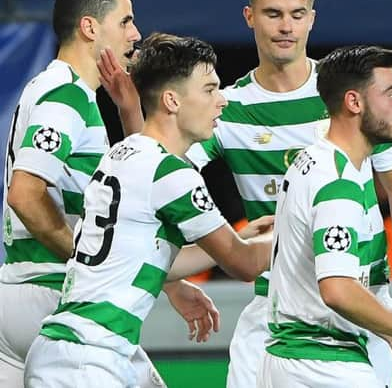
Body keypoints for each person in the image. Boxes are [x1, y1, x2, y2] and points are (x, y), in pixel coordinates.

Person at [100, 0, 392, 386]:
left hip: (356, 298)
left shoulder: (350, 93)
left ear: (312, 18)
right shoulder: (223, 108)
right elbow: (153, 170)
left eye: (297, 14)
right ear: (250, 17)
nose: (285, 26)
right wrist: (173, 284)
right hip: (274, 302)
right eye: (273, 14)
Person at [23, 32, 274, 387]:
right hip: (89, 361)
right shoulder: (173, 174)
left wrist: (235, 240)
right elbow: (245, 265)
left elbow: (149, 258)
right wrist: (294, 228)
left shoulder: (121, 154)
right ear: (172, 100)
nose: (221, 102)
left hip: (79, 351)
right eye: (209, 89)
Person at [0, 0, 214, 388]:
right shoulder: (66, 96)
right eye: (126, 21)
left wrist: (172, 284)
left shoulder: (59, 91)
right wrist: (85, 263)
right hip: (50, 295)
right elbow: (24, 194)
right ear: (90, 27)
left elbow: (124, 213)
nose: (135, 33)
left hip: (22, 299)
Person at [260, 45, 392, 388]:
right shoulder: (338, 184)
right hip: (321, 364)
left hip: (300, 359)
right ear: (354, 102)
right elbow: (337, 290)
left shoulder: (316, 160)